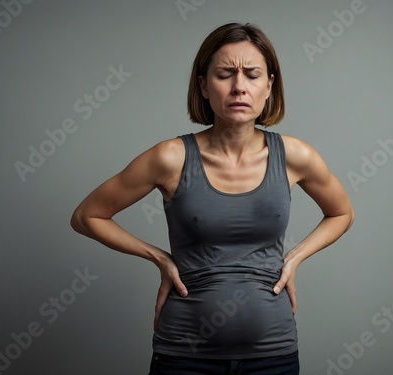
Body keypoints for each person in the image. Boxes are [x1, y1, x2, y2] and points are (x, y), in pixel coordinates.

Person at [70, 22, 354, 375]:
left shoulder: (295, 156)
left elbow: (341, 212)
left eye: (252, 75)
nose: (239, 87)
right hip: (184, 356)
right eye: (224, 74)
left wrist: (294, 258)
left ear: (269, 86)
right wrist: (159, 258)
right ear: (203, 85)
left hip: (273, 355)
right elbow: (87, 215)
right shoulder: (171, 158)